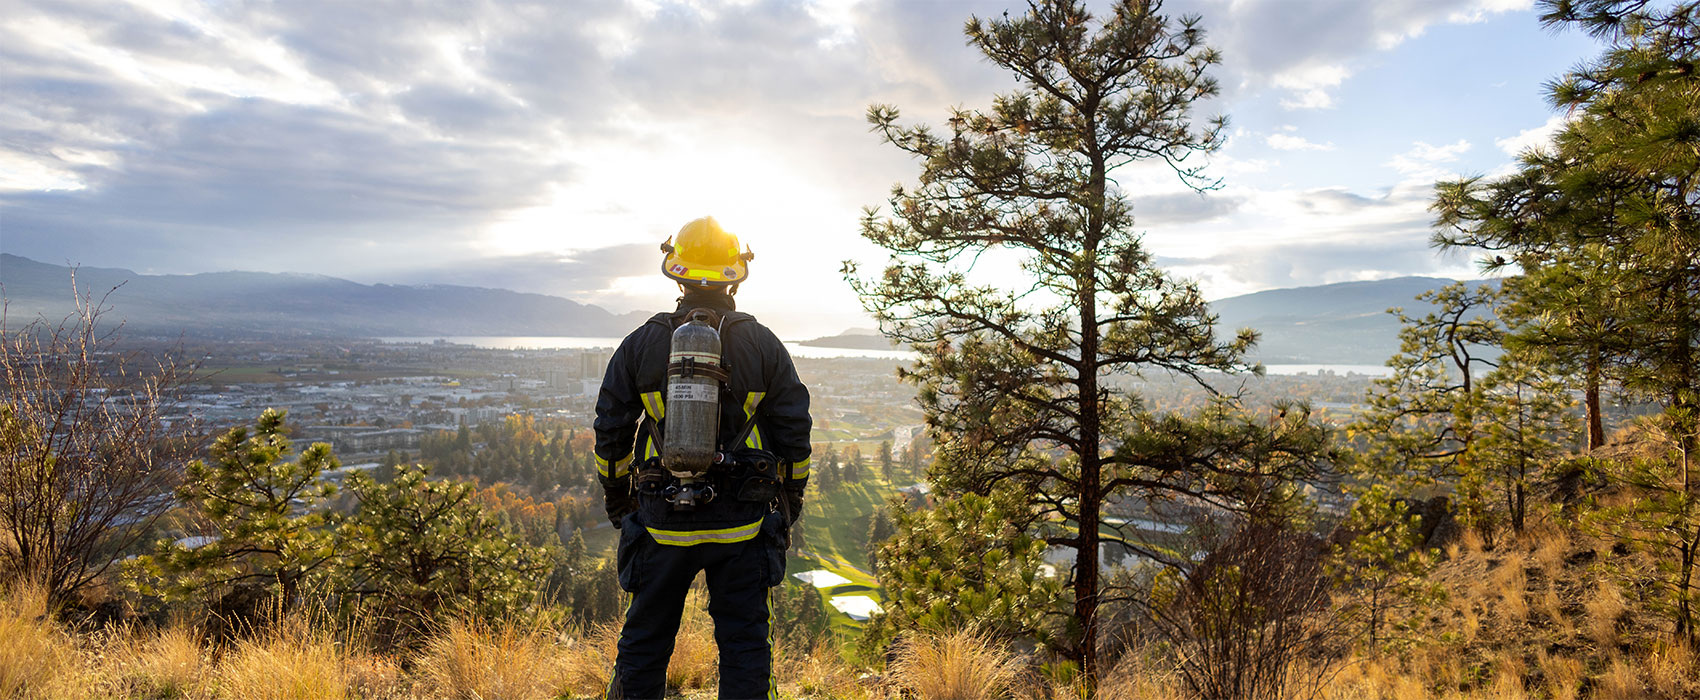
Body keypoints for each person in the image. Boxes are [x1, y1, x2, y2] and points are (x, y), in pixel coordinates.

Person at [595, 216, 812, 700]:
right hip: (743, 521)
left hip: (659, 519)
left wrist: (620, 502)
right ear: (737, 272)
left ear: (677, 270)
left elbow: (610, 429)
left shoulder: (641, 343)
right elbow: (795, 431)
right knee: (745, 645)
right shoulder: (763, 344)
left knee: (645, 642)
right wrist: (789, 498)